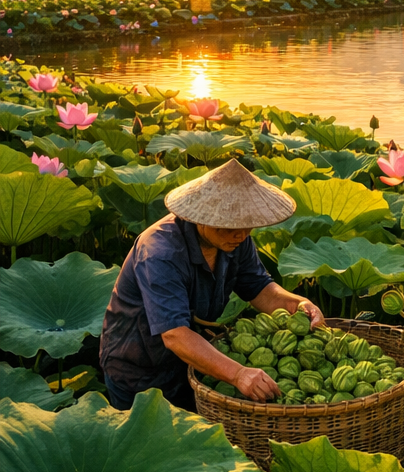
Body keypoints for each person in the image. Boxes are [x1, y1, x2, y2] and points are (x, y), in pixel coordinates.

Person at [99, 159, 325, 410]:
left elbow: (261, 289)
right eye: (228, 228)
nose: (240, 234)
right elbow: (175, 335)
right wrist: (238, 374)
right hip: (138, 370)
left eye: (246, 225)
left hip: (192, 363)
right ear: (201, 218)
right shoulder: (160, 251)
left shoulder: (236, 238)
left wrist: (300, 303)